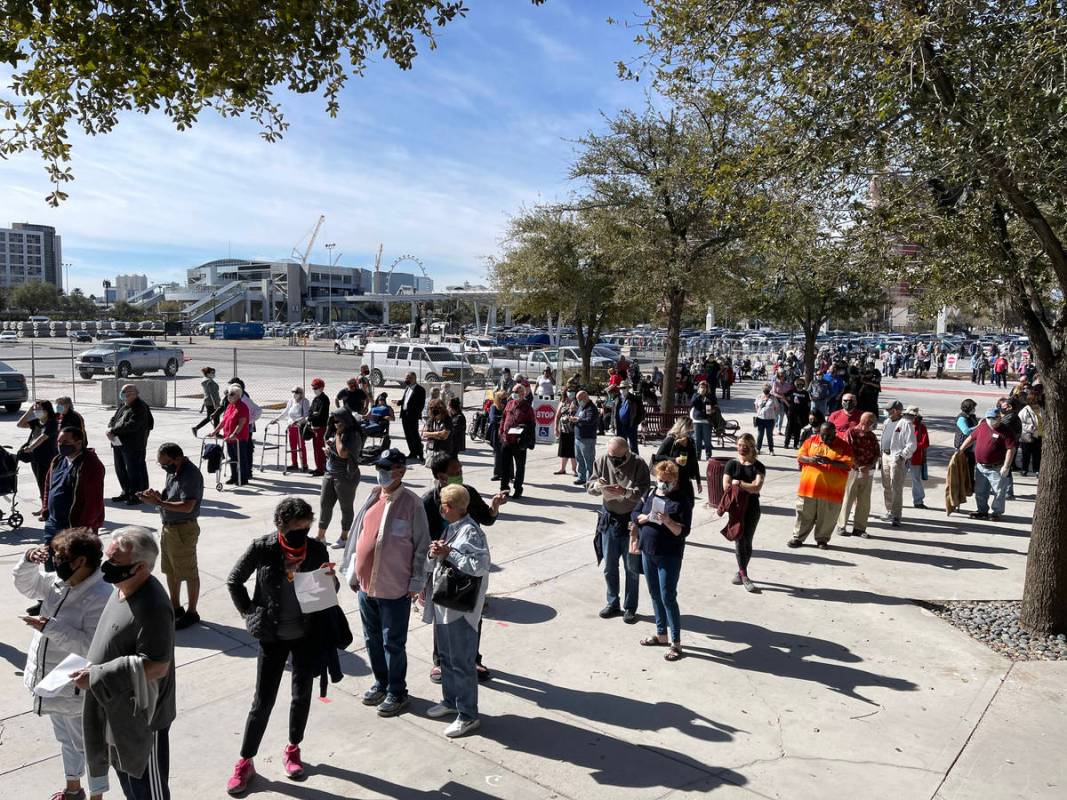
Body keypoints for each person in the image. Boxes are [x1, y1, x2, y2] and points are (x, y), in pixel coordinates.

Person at [225, 498, 336, 794]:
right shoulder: (263, 548)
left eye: (306, 528)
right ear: (280, 526)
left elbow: (325, 595)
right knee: (262, 702)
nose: (301, 534)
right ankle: (245, 761)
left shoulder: (315, 549)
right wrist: (250, 612)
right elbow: (234, 580)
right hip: (272, 636)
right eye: (295, 530)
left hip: (305, 635)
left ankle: (293, 748)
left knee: (301, 696)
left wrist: (330, 581)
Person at [75, 526, 175, 800]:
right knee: (130, 786)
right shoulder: (122, 585)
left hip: (143, 721)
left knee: (148, 792)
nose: (107, 567)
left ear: (140, 567)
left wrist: (97, 676)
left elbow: (157, 666)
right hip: (117, 711)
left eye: (115, 562)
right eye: (108, 558)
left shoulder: (153, 606)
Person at [14, 528, 111, 800]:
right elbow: (26, 586)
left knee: (90, 747)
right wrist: (28, 561)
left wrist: (49, 627)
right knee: (66, 741)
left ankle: (96, 796)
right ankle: (73, 790)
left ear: (80, 561)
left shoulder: (101, 596)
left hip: (76, 685)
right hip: (52, 680)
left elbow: (91, 647)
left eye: (59, 556)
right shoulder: (58, 582)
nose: (54, 561)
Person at [341, 448, 430, 718]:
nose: (380, 473)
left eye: (386, 468)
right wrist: (353, 571)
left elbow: (421, 546)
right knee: (372, 639)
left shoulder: (412, 504)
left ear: (400, 471)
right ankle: (381, 683)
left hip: (394, 588)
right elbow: (360, 536)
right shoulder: (372, 497)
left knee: (393, 642)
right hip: (366, 586)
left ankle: (397, 691)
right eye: (379, 468)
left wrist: (416, 582)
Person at [422, 453, 507, 683]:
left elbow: (487, 518)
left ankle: (472, 659)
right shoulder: (429, 501)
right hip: (440, 570)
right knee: (442, 614)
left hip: (466, 569)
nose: (460, 474)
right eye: (455, 471)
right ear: (441, 477)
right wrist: (422, 577)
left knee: (472, 614)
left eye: (460, 470)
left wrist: (495, 506)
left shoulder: (466, 493)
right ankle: (440, 661)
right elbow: (421, 540)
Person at [422, 484, 491, 738]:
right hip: (444, 608)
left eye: (442, 503)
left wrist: (450, 553)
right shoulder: (452, 528)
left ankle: (468, 715)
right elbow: (438, 561)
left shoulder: (472, 532)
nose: (440, 507)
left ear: (450, 507)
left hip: (461, 611)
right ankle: (451, 701)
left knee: (462, 663)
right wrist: (436, 552)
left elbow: (480, 566)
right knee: (448, 659)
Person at [632, 460, 693, 662]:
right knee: (654, 593)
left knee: (668, 596)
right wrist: (645, 518)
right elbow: (634, 514)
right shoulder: (649, 493)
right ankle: (661, 634)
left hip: (670, 554)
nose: (663, 484)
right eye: (660, 480)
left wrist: (667, 520)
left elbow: (682, 531)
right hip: (648, 551)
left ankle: (675, 642)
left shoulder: (681, 500)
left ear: (675, 480)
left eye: (667, 481)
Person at [139, 443, 205, 630]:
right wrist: (156, 497)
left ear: (176, 458)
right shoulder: (173, 471)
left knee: (188, 571)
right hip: (169, 527)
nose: (163, 467)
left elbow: (187, 506)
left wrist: (158, 502)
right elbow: (170, 498)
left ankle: (192, 612)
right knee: (170, 570)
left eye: (165, 463)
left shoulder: (190, 475)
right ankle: (175, 607)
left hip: (183, 529)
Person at [588, 437, 650, 623]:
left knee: (631, 568)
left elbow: (645, 492)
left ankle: (630, 607)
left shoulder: (638, 464)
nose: (612, 460)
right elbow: (589, 486)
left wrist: (625, 492)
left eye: (616, 457)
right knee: (609, 566)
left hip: (631, 522)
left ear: (626, 452)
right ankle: (612, 602)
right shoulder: (601, 460)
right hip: (609, 520)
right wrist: (597, 486)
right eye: (610, 455)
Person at [787, 422, 853, 549]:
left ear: (835, 433)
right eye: (823, 435)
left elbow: (848, 465)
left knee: (827, 517)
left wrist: (831, 462)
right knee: (804, 514)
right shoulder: (811, 440)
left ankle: (822, 540)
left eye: (828, 435)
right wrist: (810, 459)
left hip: (831, 490)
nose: (825, 438)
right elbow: (800, 456)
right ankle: (797, 538)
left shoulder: (844, 446)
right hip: (809, 488)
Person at [42, 427, 106, 552]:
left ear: (79, 443)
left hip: (75, 528)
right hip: (53, 523)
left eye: (66, 442)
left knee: (71, 566)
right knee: (50, 563)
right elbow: (48, 486)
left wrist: (81, 531)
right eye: (59, 442)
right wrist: (45, 508)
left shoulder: (90, 464)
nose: (61, 445)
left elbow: (93, 502)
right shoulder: (58, 460)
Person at [722, 433, 766, 591]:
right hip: (736, 507)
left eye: (745, 445)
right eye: (739, 445)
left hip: (752, 508)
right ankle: (744, 574)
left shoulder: (758, 466)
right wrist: (747, 485)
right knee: (739, 539)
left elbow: (757, 487)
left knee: (747, 540)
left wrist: (739, 483)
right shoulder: (731, 465)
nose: (741, 448)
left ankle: (741, 572)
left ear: (752, 447)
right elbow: (726, 487)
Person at [958, 409, 1016, 521]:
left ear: (999, 418)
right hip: (981, 466)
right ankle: (982, 511)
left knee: (998, 492)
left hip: (997, 468)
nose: (991, 421)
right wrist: (961, 449)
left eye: (994, 418)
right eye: (989, 418)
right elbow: (971, 438)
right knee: (980, 491)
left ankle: (996, 513)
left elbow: (1011, 449)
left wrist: (1006, 466)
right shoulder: (983, 426)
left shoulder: (1006, 431)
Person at [316, 408, 363, 549]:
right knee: (325, 504)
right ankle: (320, 536)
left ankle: (344, 537)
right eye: (334, 421)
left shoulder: (353, 435)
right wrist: (328, 449)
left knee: (346, 507)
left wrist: (337, 435)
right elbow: (332, 447)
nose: (336, 424)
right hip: (330, 473)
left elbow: (343, 453)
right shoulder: (334, 431)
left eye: (339, 421)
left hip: (346, 476)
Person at [106, 384, 153, 504]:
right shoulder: (123, 405)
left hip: (134, 445)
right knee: (120, 469)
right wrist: (110, 428)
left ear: (133, 393)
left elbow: (133, 424)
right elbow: (114, 419)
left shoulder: (140, 407)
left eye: (125, 391)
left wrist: (114, 430)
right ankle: (126, 492)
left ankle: (138, 495)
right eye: (122, 391)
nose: (122, 393)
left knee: (135, 470)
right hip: (118, 443)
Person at [836, 412, 880, 538]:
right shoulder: (851, 433)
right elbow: (848, 451)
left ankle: (859, 528)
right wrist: (860, 466)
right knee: (848, 498)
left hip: (868, 472)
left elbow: (876, 452)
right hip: (854, 471)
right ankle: (841, 526)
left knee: (864, 501)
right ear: (865, 422)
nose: (873, 425)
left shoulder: (871, 436)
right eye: (872, 422)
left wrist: (870, 466)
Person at [879, 400, 917, 527]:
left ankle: (896, 515)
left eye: (889, 410)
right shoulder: (887, 421)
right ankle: (889, 510)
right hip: (885, 456)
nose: (887, 412)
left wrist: (902, 456)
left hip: (896, 458)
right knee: (886, 485)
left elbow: (912, 444)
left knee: (896, 486)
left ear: (896, 410)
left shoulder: (906, 424)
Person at [18, 399, 59, 508]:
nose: (36, 411)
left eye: (39, 409)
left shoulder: (52, 423)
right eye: (35, 409)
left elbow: (43, 437)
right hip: (35, 457)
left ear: (47, 410)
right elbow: (20, 424)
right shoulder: (37, 421)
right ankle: (44, 507)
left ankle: (48, 508)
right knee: (40, 483)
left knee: (46, 483)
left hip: (47, 457)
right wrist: (29, 411)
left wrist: (30, 447)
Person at [498, 383, 535, 498]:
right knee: (504, 466)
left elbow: (532, 424)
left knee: (519, 467)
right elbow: (504, 418)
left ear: (523, 394)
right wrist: (501, 431)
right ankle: (504, 488)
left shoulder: (528, 408)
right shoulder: (509, 404)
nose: (513, 394)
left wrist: (523, 428)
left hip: (519, 442)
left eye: (516, 392)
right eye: (513, 391)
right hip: (506, 440)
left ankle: (518, 489)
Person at [654, 418, 702, 503]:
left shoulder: (690, 441)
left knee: (689, 504)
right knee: (674, 506)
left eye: (692, 429)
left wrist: (698, 481)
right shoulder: (670, 440)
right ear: (682, 428)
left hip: (686, 480)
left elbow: (694, 461)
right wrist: (674, 460)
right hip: (671, 480)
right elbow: (657, 457)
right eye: (689, 429)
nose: (692, 431)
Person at [212, 383, 251, 485]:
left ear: (238, 395)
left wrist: (234, 433)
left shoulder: (242, 407)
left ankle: (243, 478)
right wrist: (215, 431)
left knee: (240, 458)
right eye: (228, 394)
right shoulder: (230, 406)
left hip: (239, 437)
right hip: (228, 437)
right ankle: (234, 477)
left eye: (231, 394)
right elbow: (223, 421)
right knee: (232, 457)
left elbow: (242, 422)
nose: (229, 396)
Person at [273, 385, 310, 473]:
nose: (294, 394)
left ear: (301, 393)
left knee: (301, 445)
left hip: (299, 426)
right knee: (292, 445)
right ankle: (294, 463)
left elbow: (306, 415)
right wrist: (276, 419)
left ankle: (304, 464)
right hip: (291, 426)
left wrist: (297, 421)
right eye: (293, 392)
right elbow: (285, 412)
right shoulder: (291, 401)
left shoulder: (304, 401)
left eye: (296, 392)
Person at [397, 372, 426, 462]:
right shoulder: (407, 388)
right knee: (408, 435)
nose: (407, 380)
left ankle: (420, 454)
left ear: (414, 378)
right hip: (404, 415)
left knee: (415, 435)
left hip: (412, 417)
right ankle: (412, 452)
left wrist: (416, 414)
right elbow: (406, 400)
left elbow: (421, 404)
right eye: (406, 378)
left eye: (409, 378)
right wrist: (400, 402)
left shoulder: (420, 390)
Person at [573, 390, 599, 486]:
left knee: (589, 460)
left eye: (580, 399)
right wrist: (573, 418)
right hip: (578, 437)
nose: (579, 401)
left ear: (585, 398)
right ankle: (582, 477)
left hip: (587, 438)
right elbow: (577, 416)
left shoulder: (591, 408)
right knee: (579, 459)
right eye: (578, 399)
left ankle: (590, 480)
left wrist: (578, 419)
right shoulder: (581, 406)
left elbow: (590, 420)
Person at [612, 382, 645, 455]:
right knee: (621, 446)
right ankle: (623, 461)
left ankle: (635, 463)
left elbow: (642, 413)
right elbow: (613, 413)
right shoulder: (617, 398)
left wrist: (635, 422)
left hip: (631, 425)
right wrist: (612, 425)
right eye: (620, 388)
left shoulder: (635, 399)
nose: (622, 390)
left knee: (633, 446)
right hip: (620, 426)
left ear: (628, 388)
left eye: (624, 388)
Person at [307, 377, 330, 477]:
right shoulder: (316, 399)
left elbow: (320, 414)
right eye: (313, 388)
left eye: (316, 388)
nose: (314, 390)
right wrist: (312, 415)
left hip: (321, 427)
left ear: (321, 388)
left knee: (320, 449)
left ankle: (322, 468)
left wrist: (312, 416)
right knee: (315, 449)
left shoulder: (324, 399)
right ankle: (318, 467)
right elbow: (310, 411)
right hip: (314, 427)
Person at [908, 408, 930, 509]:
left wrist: (912, 446)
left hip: (915, 458)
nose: (910, 417)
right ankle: (894, 501)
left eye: (912, 416)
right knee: (896, 479)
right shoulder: (903, 425)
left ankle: (918, 501)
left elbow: (925, 443)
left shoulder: (921, 427)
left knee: (916, 480)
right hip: (902, 457)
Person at [422, 398, 454, 464]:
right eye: (432, 408)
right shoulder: (430, 420)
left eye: (437, 408)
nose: (434, 410)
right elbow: (424, 434)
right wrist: (438, 434)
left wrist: (431, 434)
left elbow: (445, 436)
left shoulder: (447, 420)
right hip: (431, 451)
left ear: (442, 409)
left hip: (444, 451)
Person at [1019, 391, 1044, 477]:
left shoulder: (1041, 408)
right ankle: (1024, 469)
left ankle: (1037, 470)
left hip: (1039, 434)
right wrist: (1030, 427)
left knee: (1037, 454)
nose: (1038, 399)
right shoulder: (1025, 410)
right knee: (1026, 454)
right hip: (1028, 436)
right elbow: (1019, 423)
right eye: (1036, 398)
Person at [782, 377, 811, 449]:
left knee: (797, 429)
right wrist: (788, 405)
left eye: (802, 384)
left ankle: (795, 444)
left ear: (803, 385)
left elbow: (808, 403)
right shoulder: (792, 391)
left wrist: (808, 412)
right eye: (798, 384)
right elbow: (783, 396)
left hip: (801, 413)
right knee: (789, 428)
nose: (800, 385)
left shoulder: (805, 393)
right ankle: (786, 444)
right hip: (792, 412)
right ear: (796, 384)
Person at [554, 389, 577, 476]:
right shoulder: (562, 402)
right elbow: (557, 416)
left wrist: (574, 407)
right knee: (563, 450)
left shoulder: (577, 402)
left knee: (573, 451)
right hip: (563, 430)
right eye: (569, 391)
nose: (571, 393)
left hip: (573, 430)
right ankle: (562, 469)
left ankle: (574, 469)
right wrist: (556, 428)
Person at [192, 367, 221, 436]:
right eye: (212, 373)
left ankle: (216, 433)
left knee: (214, 418)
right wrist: (215, 404)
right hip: (212, 403)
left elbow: (206, 394)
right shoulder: (209, 382)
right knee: (214, 417)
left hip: (209, 402)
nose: (214, 374)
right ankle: (196, 428)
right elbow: (211, 394)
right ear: (208, 374)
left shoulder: (206, 381)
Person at [689, 381, 714, 460]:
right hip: (697, 420)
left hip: (707, 420)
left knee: (707, 439)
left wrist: (712, 409)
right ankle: (697, 455)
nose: (702, 389)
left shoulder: (710, 396)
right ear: (698, 388)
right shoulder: (695, 395)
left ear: (707, 388)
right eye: (701, 387)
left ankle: (708, 455)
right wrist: (699, 395)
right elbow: (692, 403)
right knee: (697, 439)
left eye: (704, 387)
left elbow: (714, 405)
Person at [753, 383, 779, 455]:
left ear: (769, 390)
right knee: (760, 435)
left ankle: (771, 450)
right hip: (760, 419)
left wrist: (771, 412)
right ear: (762, 389)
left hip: (770, 420)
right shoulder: (759, 397)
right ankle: (758, 449)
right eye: (764, 389)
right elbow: (756, 406)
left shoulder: (773, 398)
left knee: (769, 435)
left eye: (767, 389)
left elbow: (777, 407)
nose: (765, 390)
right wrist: (759, 412)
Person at [486, 390, 506, 482]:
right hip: (496, 433)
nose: (504, 400)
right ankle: (497, 474)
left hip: (506, 433)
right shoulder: (494, 407)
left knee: (507, 453)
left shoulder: (506, 406)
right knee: (498, 453)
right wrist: (503, 420)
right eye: (502, 398)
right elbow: (493, 419)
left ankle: (509, 474)